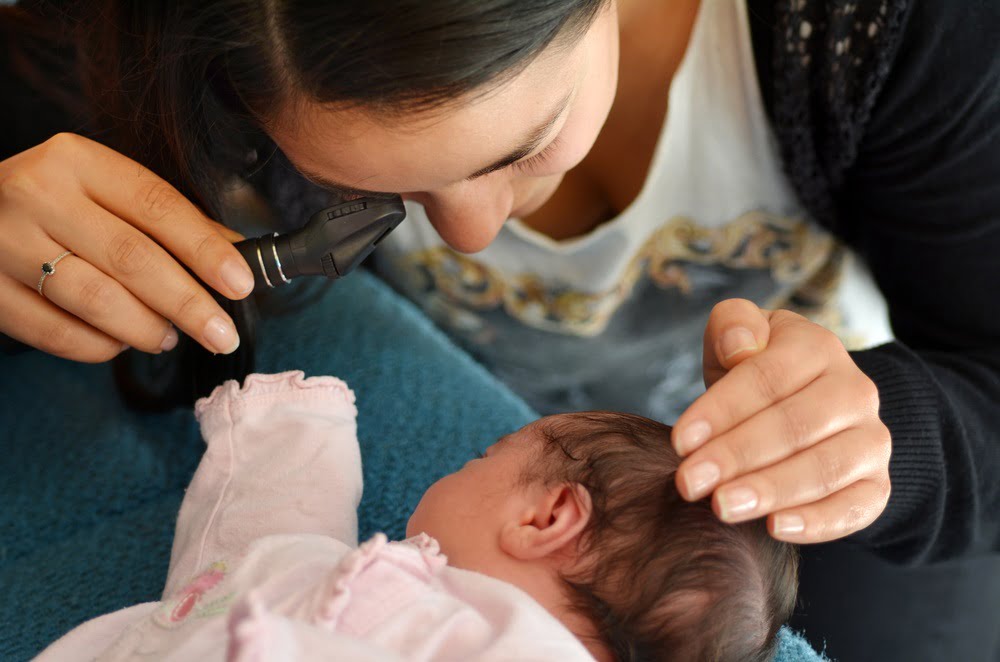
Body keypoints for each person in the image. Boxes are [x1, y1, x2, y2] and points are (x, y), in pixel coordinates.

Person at [0, 0, 997, 658]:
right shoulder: (196, 31)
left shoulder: (885, 34)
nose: (471, 234)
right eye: (370, 190)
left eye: (522, 146)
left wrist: (883, 439)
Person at [37, 371, 798, 661]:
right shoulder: (406, 590)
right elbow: (272, 549)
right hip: (225, 608)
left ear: (548, 517)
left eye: (485, 457)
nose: (460, 464)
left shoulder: (509, 643)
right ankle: (289, 432)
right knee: (280, 545)